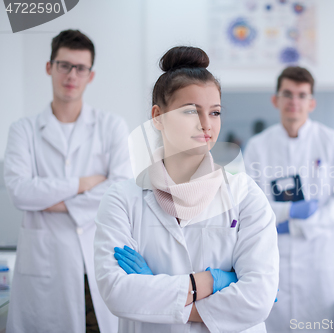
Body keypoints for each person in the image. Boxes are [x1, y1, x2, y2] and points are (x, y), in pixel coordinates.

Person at [93, 46, 279, 333]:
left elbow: (258, 300)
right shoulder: (121, 200)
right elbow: (117, 293)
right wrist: (208, 282)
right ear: (158, 117)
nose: (206, 124)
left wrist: (161, 297)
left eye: (214, 112)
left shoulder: (245, 195)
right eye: (191, 111)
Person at [4, 29, 131, 333]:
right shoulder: (23, 130)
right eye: (64, 65)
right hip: (45, 267)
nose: (71, 75)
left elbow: (120, 189)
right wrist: (84, 182)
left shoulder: (111, 126)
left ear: (91, 75)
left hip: (98, 257)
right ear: (50, 67)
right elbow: (20, 192)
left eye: (80, 68)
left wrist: (52, 202)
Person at [244, 66, 334, 332]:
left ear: (312, 102)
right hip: (273, 258)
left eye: (301, 95)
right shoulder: (259, 147)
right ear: (276, 100)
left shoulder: (331, 141)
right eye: (287, 94)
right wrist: (288, 214)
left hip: (317, 259)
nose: (294, 101)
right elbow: (250, 205)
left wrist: (302, 224)